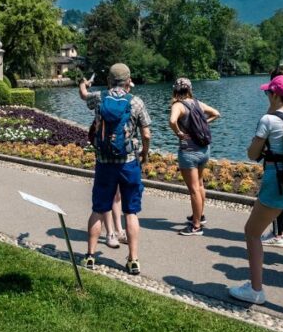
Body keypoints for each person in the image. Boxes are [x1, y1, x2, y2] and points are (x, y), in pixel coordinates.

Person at [229, 75, 283, 322]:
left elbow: (252, 153)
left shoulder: (268, 119)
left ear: (276, 95)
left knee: (252, 232)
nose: (266, 95)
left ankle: (256, 290)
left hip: (279, 184)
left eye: (268, 92)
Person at [79, 63, 151, 275]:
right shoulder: (136, 102)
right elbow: (146, 134)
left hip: (104, 163)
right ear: (128, 80)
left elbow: (84, 95)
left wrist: (84, 85)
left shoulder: (99, 97)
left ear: (109, 81)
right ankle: (133, 260)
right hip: (129, 163)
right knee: (131, 212)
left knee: (99, 209)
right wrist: (144, 154)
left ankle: (90, 257)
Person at [168, 77, 220, 236]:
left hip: (189, 152)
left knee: (193, 190)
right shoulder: (198, 103)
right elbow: (217, 113)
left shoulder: (178, 105)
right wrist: (204, 124)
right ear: (190, 89)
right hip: (204, 151)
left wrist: (179, 133)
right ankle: (200, 216)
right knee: (200, 185)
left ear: (175, 90)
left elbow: (172, 121)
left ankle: (196, 226)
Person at [261, 66, 283, 248]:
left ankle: (277, 233)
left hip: (276, 163)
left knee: (275, 198)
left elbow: (257, 146)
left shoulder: (273, 113)